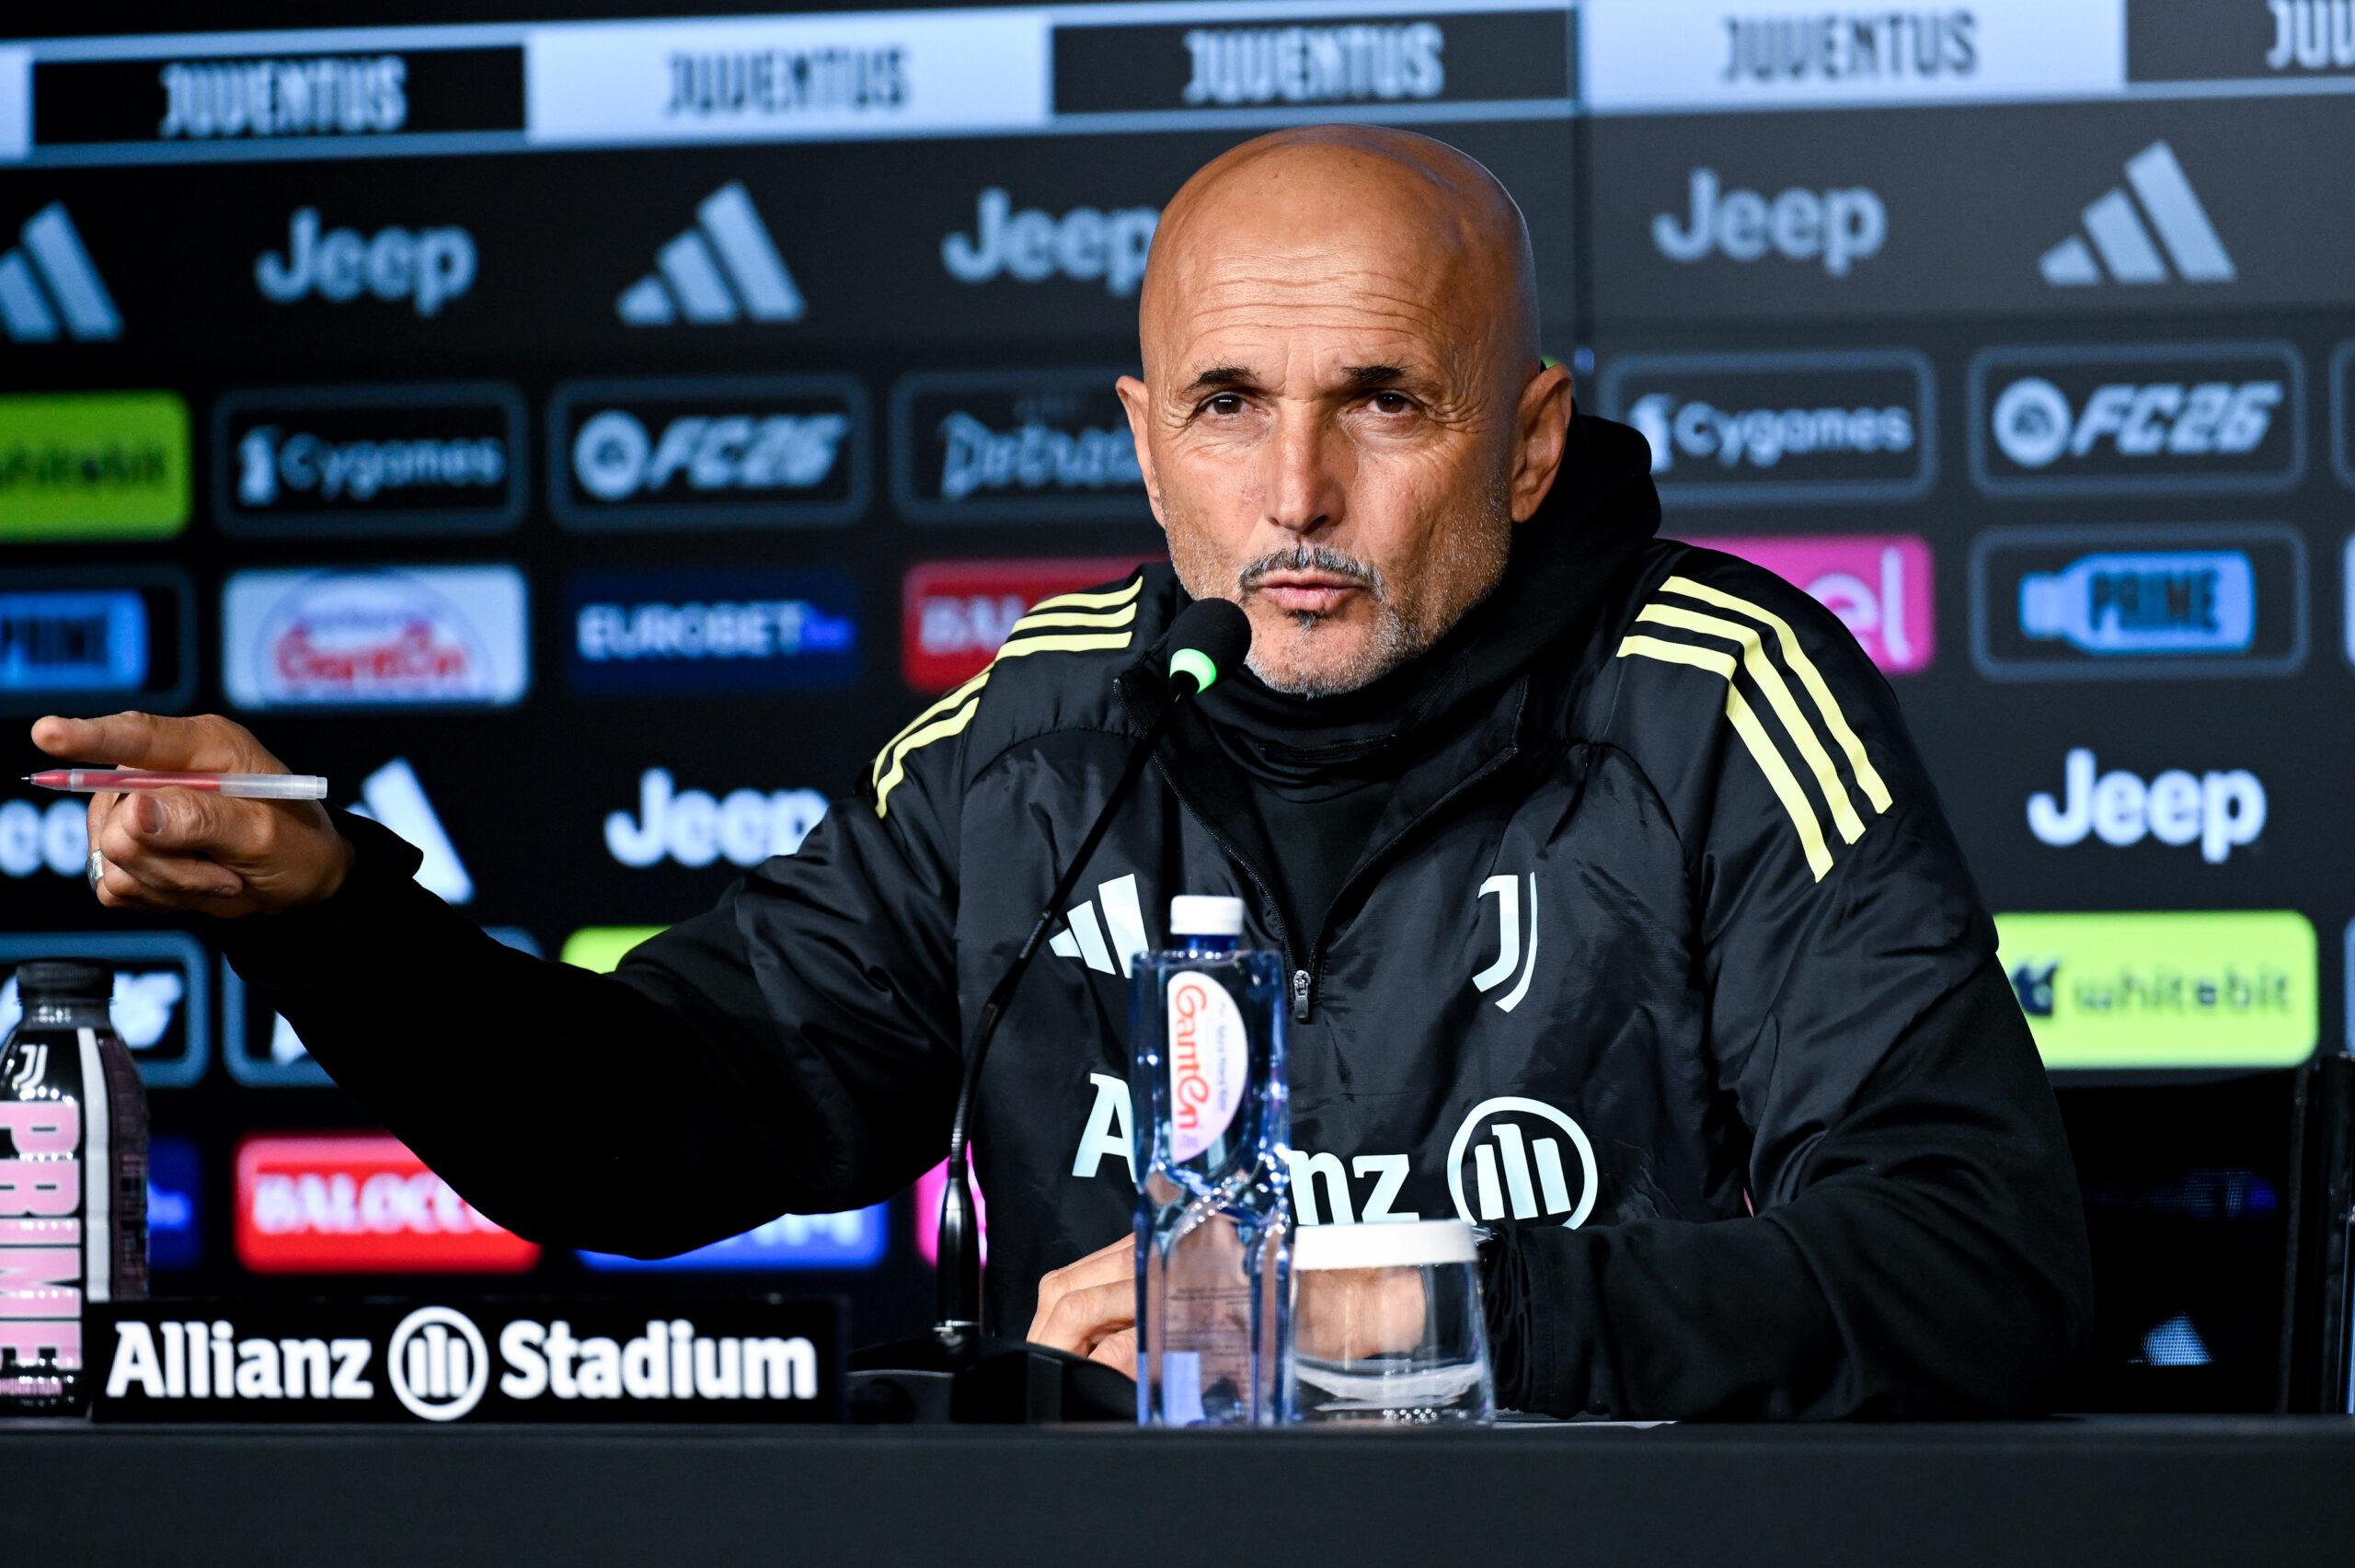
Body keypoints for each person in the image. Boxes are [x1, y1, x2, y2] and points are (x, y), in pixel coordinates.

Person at [33, 126, 2091, 1419]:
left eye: (1383, 400)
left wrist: (1408, 1314)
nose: (1296, 492)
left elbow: (1975, 1264)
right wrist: (340, 921)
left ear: (1529, 442)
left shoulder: (1719, 698)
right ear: (1140, 438)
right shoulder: (1036, 732)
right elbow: (655, 1126)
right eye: (1227, 405)